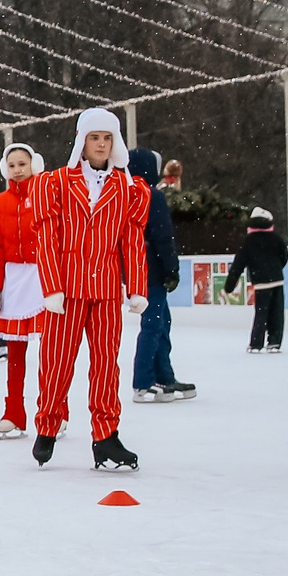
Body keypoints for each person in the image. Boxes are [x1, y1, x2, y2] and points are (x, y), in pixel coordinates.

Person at [30, 107, 149, 472]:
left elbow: (132, 241)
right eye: (94, 137)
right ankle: (48, 426)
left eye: (106, 138)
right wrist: (52, 287)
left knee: (105, 367)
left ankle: (105, 435)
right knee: (56, 363)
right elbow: (46, 240)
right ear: (82, 141)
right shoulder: (56, 183)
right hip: (66, 291)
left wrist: (137, 287)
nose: (100, 144)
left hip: (108, 290)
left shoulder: (128, 188)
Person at [0, 143, 46, 437]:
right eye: (12, 165)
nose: (18, 170)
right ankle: (14, 412)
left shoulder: (48, 196)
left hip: (43, 279)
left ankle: (54, 411)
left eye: (22, 164)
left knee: (51, 354)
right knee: (15, 352)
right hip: (14, 280)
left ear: (34, 164)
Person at [126, 148, 193, 404]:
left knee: (161, 323)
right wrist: (171, 268)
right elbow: (163, 236)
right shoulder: (150, 195)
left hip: (136, 270)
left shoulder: (125, 193)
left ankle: (164, 375)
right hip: (151, 271)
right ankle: (142, 382)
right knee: (154, 325)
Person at [223, 207, 288, 353]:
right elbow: (284, 255)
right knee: (277, 313)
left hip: (261, 281)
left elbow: (238, 264)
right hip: (277, 279)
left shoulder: (248, 241)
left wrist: (229, 285)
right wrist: (276, 268)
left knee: (261, 313)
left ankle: (256, 344)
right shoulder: (276, 238)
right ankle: (274, 342)